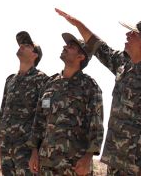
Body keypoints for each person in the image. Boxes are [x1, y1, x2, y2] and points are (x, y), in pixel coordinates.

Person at [56, 8, 141, 175]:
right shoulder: (123, 64)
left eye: (133, 33)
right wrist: (77, 24)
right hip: (116, 160)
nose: (127, 35)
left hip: (139, 166)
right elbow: (98, 46)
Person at [29, 33, 103, 176]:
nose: (65, 47)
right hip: (46, 162)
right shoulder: (50, 83)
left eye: (71, 46)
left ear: (81, 57)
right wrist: (34, 152)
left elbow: (96, 125)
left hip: (74, 164)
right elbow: (39, 120)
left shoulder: (89, 86)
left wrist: (88, 158)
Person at [0, 31, 49, 175]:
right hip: (7, 148)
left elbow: (45, 115)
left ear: (35, 55)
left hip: (27, 150)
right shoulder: (10, 80)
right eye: (21, 44)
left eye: (27, 45)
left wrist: (36, 150)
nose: (22, 47)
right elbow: (3, 112)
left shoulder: (43, 81)